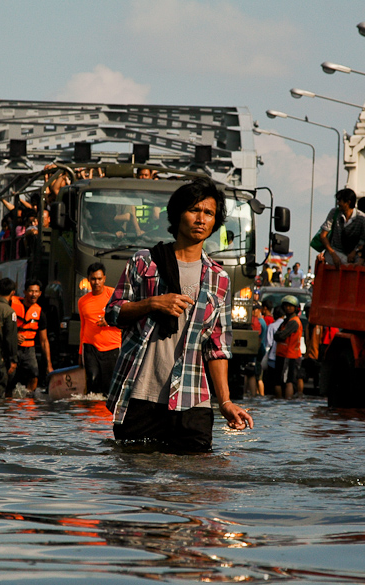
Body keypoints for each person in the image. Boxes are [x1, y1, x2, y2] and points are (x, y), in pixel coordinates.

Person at [105, 177, 253, 451]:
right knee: (134, 484)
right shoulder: (145, 263)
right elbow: (113, 313)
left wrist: (226, 403)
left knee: (194, 486)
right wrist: (151, 304)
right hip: (141, 396)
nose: (201, 219)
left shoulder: (219, 278)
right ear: (177, 215)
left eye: (208, 213)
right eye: (194, 210)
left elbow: (217, 348)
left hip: (193, 401)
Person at [78, 262, 122, 394]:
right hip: (90, 347)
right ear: (88, 279)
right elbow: (82, 326)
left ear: (104, 279)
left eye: (99, 279)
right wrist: (80, 352)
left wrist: (109, 321)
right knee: (92, 381)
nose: (96, 282)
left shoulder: (114, 296)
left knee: (108, 387)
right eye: (93, 279)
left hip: (112, 346)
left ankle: (104, 414)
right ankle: (91, 412)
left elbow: (125, 318)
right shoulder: (82, 301)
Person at [9, 279, 53, 393]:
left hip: (29, 349)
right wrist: (14, 335)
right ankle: (7, 401)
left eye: (36, 291)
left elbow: (44, 340)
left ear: (40, 293)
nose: (33, 294)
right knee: (10, 375)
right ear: (24, 292)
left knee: (34, 375)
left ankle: (28, 399)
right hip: (13, 348)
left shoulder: (40, 313)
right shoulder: (11, 306)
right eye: (30, 291)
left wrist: (49, 364)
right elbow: (2, 327)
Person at [320, 188, 365, 267]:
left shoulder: (361, 218)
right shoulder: (334, 213)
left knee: (361, 263)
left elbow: (364, 239)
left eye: (340, 201)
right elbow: (323, 235)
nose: (338, 203)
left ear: (348, 202)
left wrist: (354, 251)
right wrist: (333, 253)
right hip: (336, 251)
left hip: (354, 253)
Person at [273, 295, 303, 399]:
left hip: (289, 355)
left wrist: (278, 335)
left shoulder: (294, 322)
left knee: (288, 381)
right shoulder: (286, 321)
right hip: (282, 354)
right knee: (278, 380)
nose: (288, 308)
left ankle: (286, 402)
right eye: (286, 306)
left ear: (296, 308)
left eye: (291, 306)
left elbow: (280, 335)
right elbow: (277, 335)